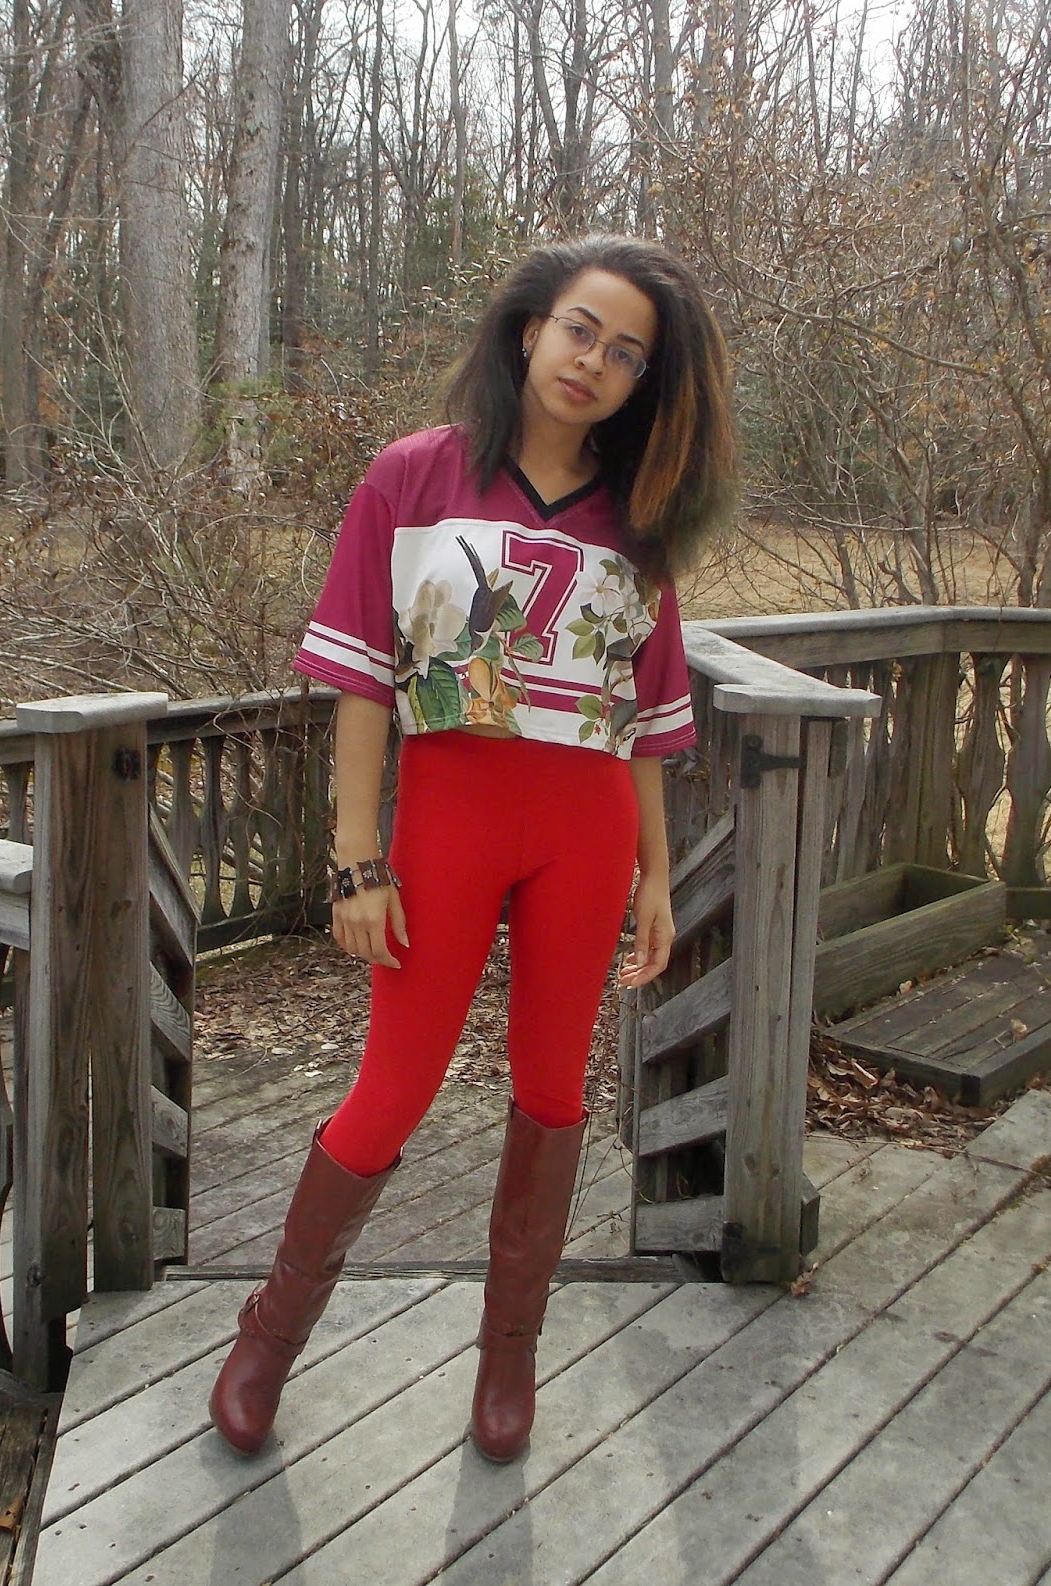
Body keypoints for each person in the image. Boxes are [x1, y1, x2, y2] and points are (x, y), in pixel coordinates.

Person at [207, 234, 737, 1464]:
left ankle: (509, 1355)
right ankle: (267, 1335)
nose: (593, 361)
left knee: (553, 1091)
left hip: (586, 832)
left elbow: (641, 718)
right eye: (580, 329)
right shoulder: (415, 474)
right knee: (392, 1086)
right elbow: (358, 679)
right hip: (446, 821)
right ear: (529, 328)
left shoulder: (641, 519)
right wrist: (355, 859)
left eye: (626, 352)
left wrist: (658, 874)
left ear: (644, 382)